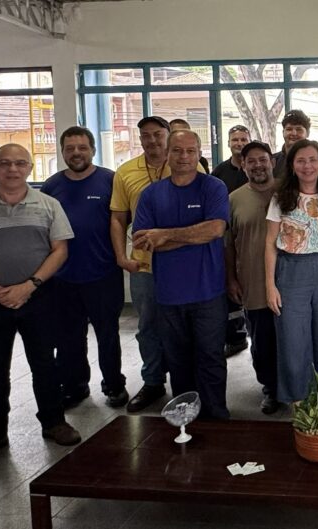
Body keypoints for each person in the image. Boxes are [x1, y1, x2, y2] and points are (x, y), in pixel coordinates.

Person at [0, 144, 82, 471]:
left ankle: (53, 422)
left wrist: (28, 286)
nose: (12, 169)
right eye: (5, 163)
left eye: (20, 163)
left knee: (45, 365)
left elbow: (59, 251)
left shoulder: (48, 205)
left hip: (39, 298)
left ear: (30, 167)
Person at [132, 129, 231, 420]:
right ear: (167, 153)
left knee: (211, 357)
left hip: (208, 292)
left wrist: (165, 235)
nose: (184, 157)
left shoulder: (213, 187)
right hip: (168, 294)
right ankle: (185, 416)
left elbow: (215, 229)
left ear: (199, 153)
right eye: (177, 151)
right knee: (178, 360)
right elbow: (143, 241)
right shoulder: (151, 194)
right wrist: (187, 235)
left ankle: (216, 414)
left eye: (190, 151)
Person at [41, 127, 127, 410]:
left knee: (107, 334)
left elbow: (120, 221)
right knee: (68, 337)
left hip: (103, 274)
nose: (76, 153)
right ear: (63, 151)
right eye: (69, 148)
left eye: (81, 147)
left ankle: (114, 385)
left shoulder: (110, 181)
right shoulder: (51, 186)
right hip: (63, 278)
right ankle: (75, 386)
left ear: (92, 150)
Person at [265, 139, 318, 403]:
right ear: (291, 166)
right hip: (291, 272)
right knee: (293, 341)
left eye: (313, 160)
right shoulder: (281, 198)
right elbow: (269, 243)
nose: (307, 166)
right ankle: (298, 402)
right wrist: (270, 285)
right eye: (301, 160)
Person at [111, 116, 175, 412]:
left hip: (182, 262)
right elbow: (118, 217)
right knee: (148, 324)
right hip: (144, 264)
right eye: (146, 136)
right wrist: (121, 257)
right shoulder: (125, 172)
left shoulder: (186, 163)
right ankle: (152, 381)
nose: (152, 141)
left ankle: (185, 380)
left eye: (157, 135)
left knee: (181, 324)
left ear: (168, 135)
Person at [225, 141, 280, 414]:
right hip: (253, 280)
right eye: (252, 161)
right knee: (262, 338)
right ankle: (270, 387)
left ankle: (295, 385)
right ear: (243, 165)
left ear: (272, 161)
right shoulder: (234, 198)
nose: (258, 165)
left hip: (289, 280)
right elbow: (228, 244)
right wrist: (231, 279)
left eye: (263, 160)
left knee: (292, 336)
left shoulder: (288, 191)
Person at [211, 125, 252, 358]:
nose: (239, 143)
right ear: (228, 143)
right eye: (235, 139)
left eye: (243, 139)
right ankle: (236, 337)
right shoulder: (219, 172)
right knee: (231, 289)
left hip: (251, 238)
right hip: (226, 237)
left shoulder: (257, 168)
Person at [273, 109, 310, 179]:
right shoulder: (272, 162)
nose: (294, 133)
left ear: (307, 133)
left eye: (299, 129)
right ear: (283, 132)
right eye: (289, 129)